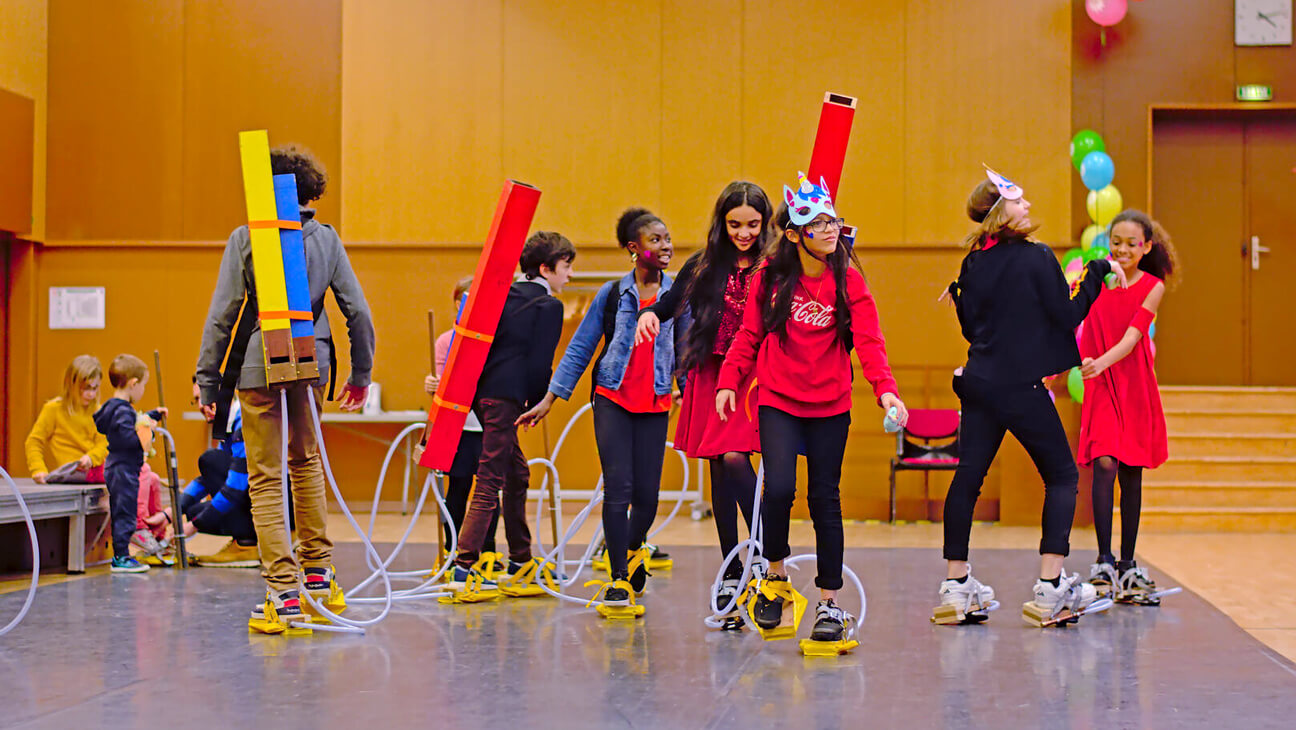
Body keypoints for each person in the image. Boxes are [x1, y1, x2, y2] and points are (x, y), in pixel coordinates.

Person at [716, 173, 907, 645]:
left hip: (830, 405)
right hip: (779, 399)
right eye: (819, 224)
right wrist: (729, 383)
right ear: (795, 233)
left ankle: (828, 604)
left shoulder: (849, 281)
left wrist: (886, 390)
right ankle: (775, 578)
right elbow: (748, 335)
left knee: (825, 499)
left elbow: (869, 342)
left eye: (833, 222)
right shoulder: (772, 278)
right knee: (778, 489)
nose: (831, 230)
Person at [196, 144, 375, 633]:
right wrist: (360, 376)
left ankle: (283, 592)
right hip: (312, 362)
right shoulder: (326, 239)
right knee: (307, 462)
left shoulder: (246, 238)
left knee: (265, 477)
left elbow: (223, 315)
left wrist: (207, 379)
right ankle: (318, 574)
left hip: (258, 366)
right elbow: (357, 311)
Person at [939, 167, 1126, 625]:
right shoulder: (1037, 257)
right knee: (1062, 476)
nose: (1028, 207)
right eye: (1019, 201)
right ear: (1003, 212)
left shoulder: (972, 264)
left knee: (968, 476)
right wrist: (1098, 270)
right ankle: (1050, 587)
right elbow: (1066, 315)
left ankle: (956, 584)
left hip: (979, 383)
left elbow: (970, 328)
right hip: (1021, 387)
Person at [520, 208, 683, 610]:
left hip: (656, 400)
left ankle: (631, 549)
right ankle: (618, 579)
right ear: (633, 248)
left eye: (667, 239)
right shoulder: (612, 294)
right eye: (655, 240)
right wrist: (549, 399)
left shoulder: (678, 293)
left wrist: (692, 389)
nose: (666, 247)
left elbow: (689, 346)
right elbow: (580, 349)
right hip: (611, 398)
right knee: (618, 488)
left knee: (647, 496)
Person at [635, 181, 772, 626]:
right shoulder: (705, 264)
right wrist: (651, 314)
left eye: (753, 224)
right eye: (735, 224)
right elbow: (671, 303)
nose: (744, 233)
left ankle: (763, 552)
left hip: (752, 374)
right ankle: (733, 565)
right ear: (722, 222)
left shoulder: (775, 263)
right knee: (717, 463)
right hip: (711, 372)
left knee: (735, 457)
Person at [444, 232, 573, 591]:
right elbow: (539, 363)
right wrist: (536, 403)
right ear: (546, 269)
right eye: (566, 267)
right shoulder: (549, 307)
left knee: (516, 474)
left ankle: (520, 557)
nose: (570, 275)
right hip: (507, 399)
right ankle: (464, 564)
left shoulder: (502, 297)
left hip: (482, 396)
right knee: (489, 480)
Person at [1079, 209, 1175, 605]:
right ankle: (1103, 560)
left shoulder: (1153, 285)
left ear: (1146, 247)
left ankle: (1128, 563)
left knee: (1131, 470)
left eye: (1131, 244)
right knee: (1104, 462)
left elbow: (1134, 337)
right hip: (1101, 385)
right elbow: (1072, 315)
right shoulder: (1094, 276)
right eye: (1115, 242)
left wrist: (1101, 361)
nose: (1121, 250)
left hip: (1132, 383)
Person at [424, 275, 500, 560]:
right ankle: (451, 548)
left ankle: (487, 551)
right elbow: (443, 381)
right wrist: (434, 385)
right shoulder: (446, 341)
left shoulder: (494, 339)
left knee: (489, 490)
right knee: (457, 489)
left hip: (487, 426)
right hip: (458, 427)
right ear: (458, 302)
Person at [173, 379, 259, 568]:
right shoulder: (228, 428)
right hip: (252, 503)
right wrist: (172, 513)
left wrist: (193, 526)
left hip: (273, 510)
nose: (200, 406)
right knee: (193, 510)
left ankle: (248, 542)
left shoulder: (242, 425)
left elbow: (234, 490)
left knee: (210, 460)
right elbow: (207, 480)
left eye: (204, 398)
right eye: (196, 400)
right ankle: (245, 542)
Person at [93, 354, 167, 574]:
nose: (143, 390)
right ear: (133, 383)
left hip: (121, 468)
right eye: (143, 385)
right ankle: (121, 557)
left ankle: (122, 555)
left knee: (124, 510)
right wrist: (148, 434)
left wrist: (152, 415)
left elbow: (130, 425)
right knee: (125, 512)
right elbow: (128, 438)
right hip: (123, 469)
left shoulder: (114, 408)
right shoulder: (123, 410)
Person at [26, 355, 108, 484]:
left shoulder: (99, 411)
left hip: (96, 466)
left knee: (144, 474)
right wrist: (38, 469)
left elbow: (104, 443)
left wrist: (91, 458)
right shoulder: (53, 409)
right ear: (71, 384)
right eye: (86, 388)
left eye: (95, 388)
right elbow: (34, 442)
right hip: (72, 471)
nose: (91, 394)